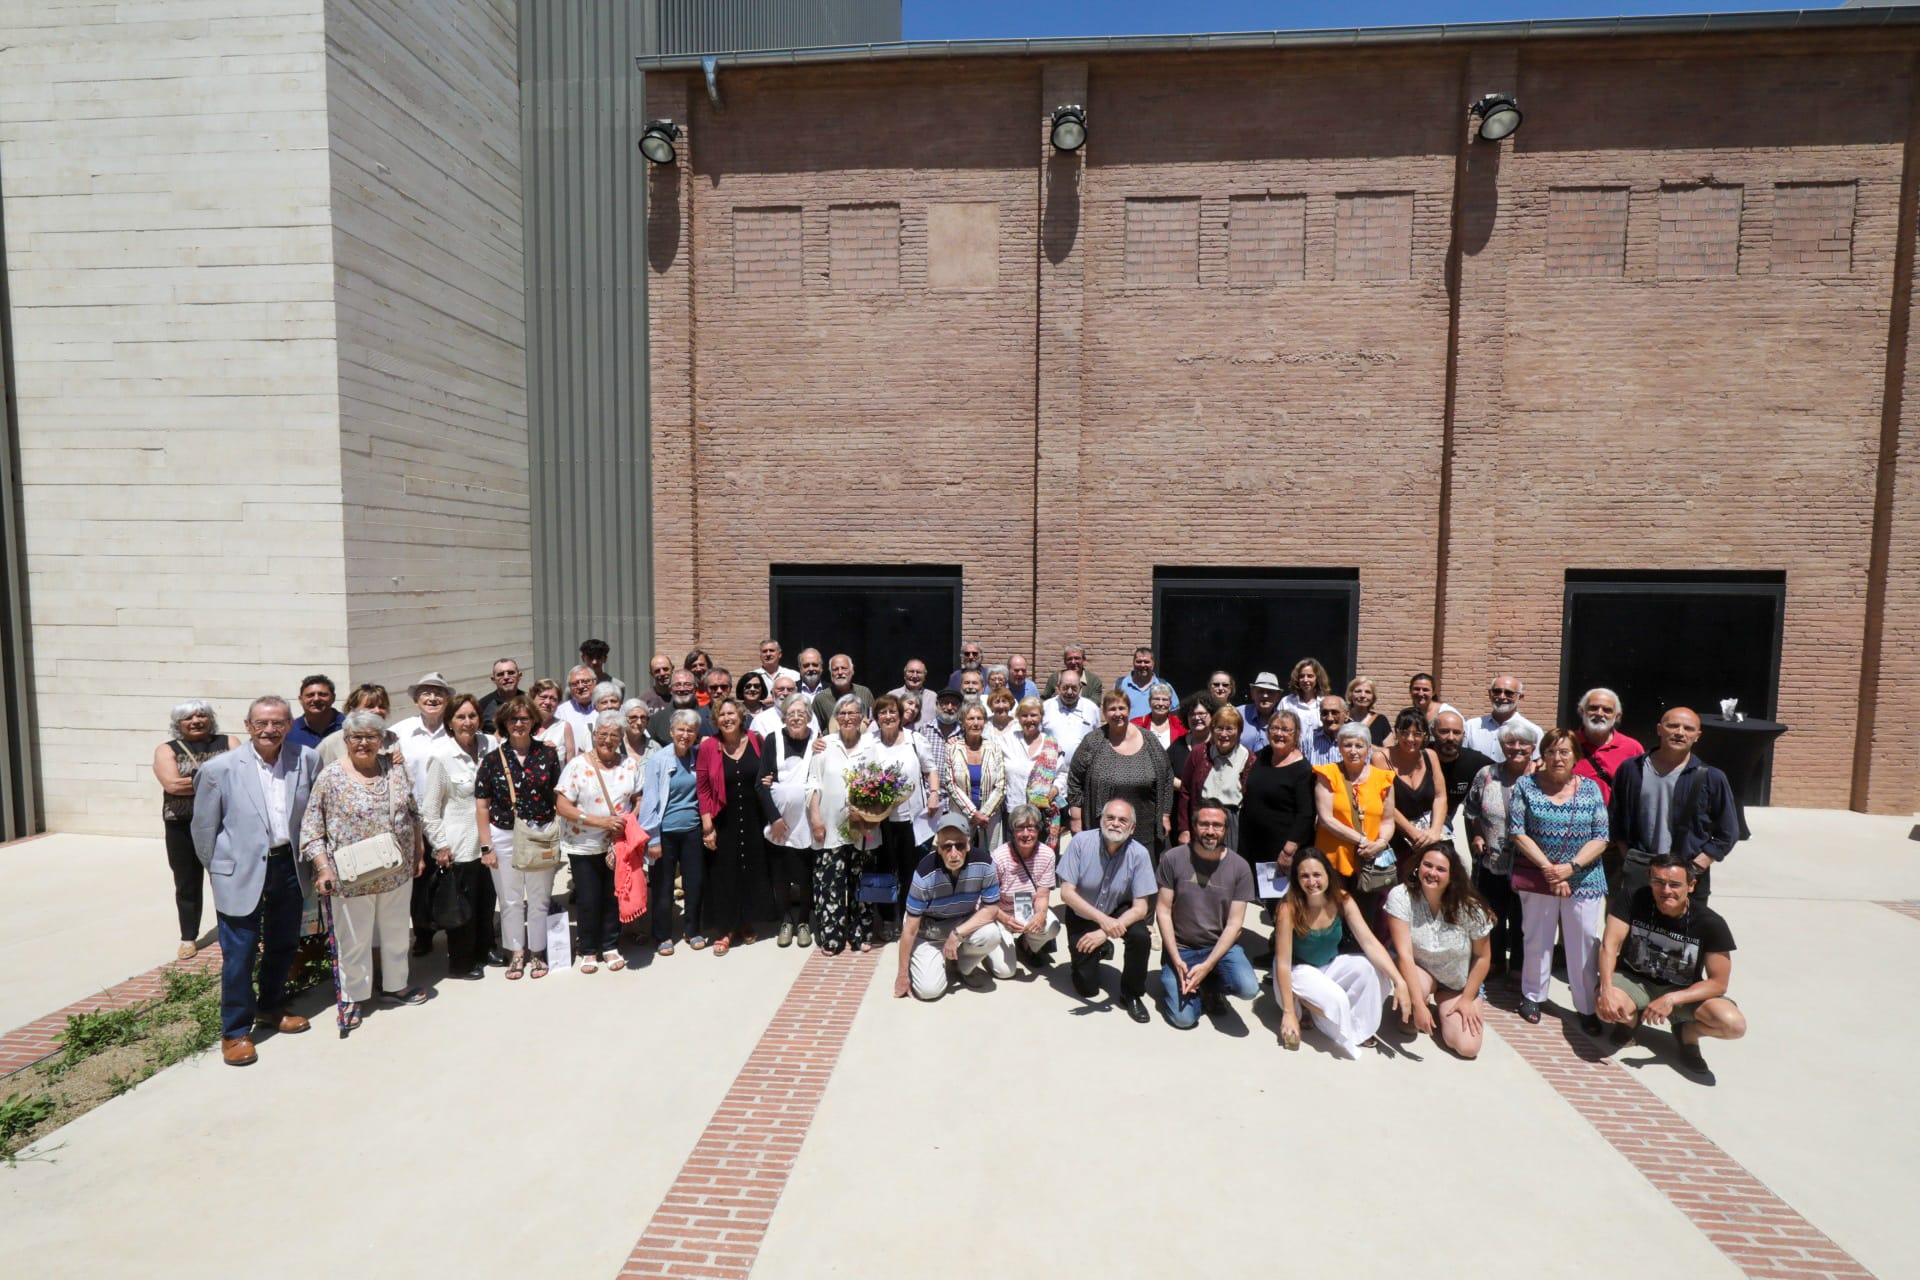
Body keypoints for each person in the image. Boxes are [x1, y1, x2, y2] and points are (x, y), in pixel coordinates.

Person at [190, 696, 319, 1065]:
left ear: (289, 725)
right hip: (240, 871)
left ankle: (271, 1007)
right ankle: (234, 1031)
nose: (269, 730)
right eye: (261, 723)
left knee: (283, 944)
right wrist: (219, 870)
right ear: (248, 726)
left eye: (278, 722)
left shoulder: (307, 759)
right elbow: (203, 829)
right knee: (240, 953)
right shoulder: (219, 769)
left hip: (288, 866)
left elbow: (313, 813)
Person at [304, 708, 429, 1027]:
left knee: (397, 931)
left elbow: (413, 812)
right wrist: (323, 867)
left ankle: (396, 985)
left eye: (371, 737)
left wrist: (418, 851)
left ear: (381, 740)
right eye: (356, 737)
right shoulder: (331, 777)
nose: (363, 743)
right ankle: (352, 996)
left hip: (396, 869)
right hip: (351, 875)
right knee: (353, 939)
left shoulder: (395, 769)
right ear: (346, 740)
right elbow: (312, 829)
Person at [1596, 853, 1746, 1080]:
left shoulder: (1710, 923)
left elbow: (1718, 983)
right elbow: (1609, 945)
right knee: (1604, 1005)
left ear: (1691, 885)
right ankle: (1629, 1022)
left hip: (1682, 991)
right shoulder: (1632, 898)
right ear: (1649, 880)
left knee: (1733, 1025)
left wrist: (1671, 999)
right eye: (1658, 882)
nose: (1666, 890)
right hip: (1635, 981)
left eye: (1675, 884)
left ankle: (1687, 1033)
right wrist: (1606, 990)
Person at [1509, 726, 1611, 1029]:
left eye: (1564, 751)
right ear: (1543, 755)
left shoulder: (1591, 789)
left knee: (1583, 944)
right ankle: (1532, 995)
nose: (1557, 757)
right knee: (1536, 938)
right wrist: (1549, 869)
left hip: (1584, 878)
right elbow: (1517, 831)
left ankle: (1586, 1006)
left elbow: (1601, 837)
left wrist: (1570, 868)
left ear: (1575, 756)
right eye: (1551, 751)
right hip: (1539, 874)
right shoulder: (1525, 785)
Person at [1273, 848, 1409, 1057]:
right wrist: (1288, 1013)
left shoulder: (1342, 900)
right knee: (1337, 1000)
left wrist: (1399, 981)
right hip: (1297, 970)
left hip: (1329, 964)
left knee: (1372, 971)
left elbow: (1370, 943)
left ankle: (1355, 1026)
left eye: (1317, 874)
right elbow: (1283, 963)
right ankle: (1302, 1002)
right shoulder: (1288, 908)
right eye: (1304, 876)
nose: (1312, 882)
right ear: (1297, 880)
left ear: (1328, 875)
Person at [1607, 707, 1742, 903]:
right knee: (1633, 922)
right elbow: (1616, 818)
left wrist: (1696, 866)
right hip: (1640, 871)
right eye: (1673, 726)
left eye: (1688, 728)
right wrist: (1627, 855)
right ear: (1659, 729)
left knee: (1684, 924)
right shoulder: (1631, 769)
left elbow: (1728, 831)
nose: (1680, 732)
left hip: (1687, 872)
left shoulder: (1712, 777)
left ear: (1697, 736)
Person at [474, 695, 564, 980]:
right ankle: (516, 952)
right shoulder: (491, 760)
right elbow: (482, 806)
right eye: (513, 719)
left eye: (525, 718)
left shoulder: (548, 755)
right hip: (503, 835)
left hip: (540, 833)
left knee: (539, 898)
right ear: (504, 723)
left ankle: (537, 951)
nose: (519, 724)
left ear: (534, 721)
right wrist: (486, 846)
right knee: (510, 900)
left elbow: (558, 795)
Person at [1156, 799, 1261, 1028]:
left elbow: (1234, 924)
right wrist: (1175, 958)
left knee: (1248, 988)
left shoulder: (1240, 867)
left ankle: (1209, 983)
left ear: (1226, 829)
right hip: (1181, 949)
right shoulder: (1173, 858)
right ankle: (1186, 984)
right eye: (1204, 824)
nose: (1210, 831)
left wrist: (1208, 965)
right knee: (1184, 1020)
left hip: (1219, 948)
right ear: (1194, 827)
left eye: (1217, 825)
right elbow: (1163, 911)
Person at [555, 710, 644, 973]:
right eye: (603, 734)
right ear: (594, 735)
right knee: (588, 898)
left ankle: (610, 945)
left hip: (617, 844)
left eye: (614, 735)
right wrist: (601, 822)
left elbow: (639, 797)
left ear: (621, 737)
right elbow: (562, 806)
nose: (608, 740)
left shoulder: (629, 765)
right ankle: (588, 949)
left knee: (613, 896)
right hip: (583, 845)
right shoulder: (577, 766)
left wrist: (629, 820)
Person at [1386, 845, 1494, 1058]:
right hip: (1419, 972)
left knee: (1468, 1048)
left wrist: (1467, 999)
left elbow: (1483, 957)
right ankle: (1418, 1004)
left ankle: (1442, 1008)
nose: (1432, 873)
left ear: (1452, 876)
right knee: (1408, 1024)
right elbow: (1404, 954)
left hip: (1457, 983)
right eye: (1427, 865)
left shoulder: (1470, 908)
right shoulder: (1400, 896)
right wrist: (1418, 1005)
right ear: (1418, 866)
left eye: (1441, 869)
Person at [1055, 800, 1157, 1023]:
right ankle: (1098, 951)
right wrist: (1104, 922)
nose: (1115, 823)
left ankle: (1132, 994)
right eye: (1110, 818)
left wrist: (1104, 931)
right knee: (1087, 988)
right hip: (1083, 912)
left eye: (1123, 820)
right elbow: (1067, 894)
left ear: (1132, 828)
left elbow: (1141, 908)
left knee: (1141, 936)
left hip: (1117, 907)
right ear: (1101, 821)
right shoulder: (1081, 842)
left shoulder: (1139, 854)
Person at [420, 694, 496, 979]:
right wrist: (440, 845)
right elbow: (430, 809)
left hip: (490, 840)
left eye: (472, 716)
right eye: (461, 717)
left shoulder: (490, 745)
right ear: (450, 722)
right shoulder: (442, 756)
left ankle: (486, 949)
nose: (468, 722)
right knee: (463, 905)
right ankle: (462, 963)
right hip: (460, 843)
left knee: (487, 900)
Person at [156, 699, 238, 959]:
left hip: (224, 823)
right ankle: (188, 937)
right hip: (182, 825)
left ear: (210, 719)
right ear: (178, 724)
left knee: (227, 879)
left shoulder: (229, 742)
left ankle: (232, 931)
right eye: (188, 718)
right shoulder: (166, 749)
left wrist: (192, 780)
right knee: (187, 882)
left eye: (201, 715)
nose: (196, 721)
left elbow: (241, 776)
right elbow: (172, 785)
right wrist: (217, 781)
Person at [896, 814, 1007, 999]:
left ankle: (964, 965)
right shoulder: (924, 872)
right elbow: (910, 928)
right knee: (929, 992)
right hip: (928, 931)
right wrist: (902, 974)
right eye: (947, 846)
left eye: (960, 845)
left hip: (962, 923)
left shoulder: (985, 863)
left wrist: (957, 934)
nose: (954, 853)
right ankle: (929, 957)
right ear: (938, 848)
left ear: (968, 844)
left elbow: (991, 909)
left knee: (992, 934)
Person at [1461, 721, 1540, 977]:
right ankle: (1493, 962)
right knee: (1492, 913)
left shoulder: (1542, 777)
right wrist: (1476, 835)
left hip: (1529, 863)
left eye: (1523, 743)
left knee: (1523, 918)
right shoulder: (1486, 774)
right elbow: (1471, 811)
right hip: (1492, 860)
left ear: (1533, 747)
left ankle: (1518, 966)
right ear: (1502, 746)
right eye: (1510, 742)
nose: (1516, 748)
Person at [697, 698, 773, 957]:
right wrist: (707, 825)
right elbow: (703, 788)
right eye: (722, 715)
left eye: (731, 714)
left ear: (741, 717)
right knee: (723, 873)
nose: (727, 718)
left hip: (753, 817)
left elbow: (768, 771)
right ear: (715, 720)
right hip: (722, 819)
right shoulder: (709, 746)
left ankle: (745, 922)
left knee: (750, 869)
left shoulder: (756, 740)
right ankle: (724, 929)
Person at [808, 695, 880, 955]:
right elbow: (813, 783)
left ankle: (861, 934)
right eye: (843, 713)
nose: (848, 718)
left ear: (861, 717)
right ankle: (832, 937)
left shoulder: (872, 745)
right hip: (830, 828)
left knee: (863, 882)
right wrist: (816, 819)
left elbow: (882, 785)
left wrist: (869, 814)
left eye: (853, 713)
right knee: (830, 883)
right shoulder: (824, 745)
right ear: (836, 718)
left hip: (865, 828)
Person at [868, 693, 942, 939]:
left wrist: (934, 794)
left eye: (893, 712)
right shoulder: (870, 742)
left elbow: (930, 769)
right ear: (876, 718)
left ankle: (911, 916)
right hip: (881, 819)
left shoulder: (914, 740)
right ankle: (887, 919)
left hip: (913, 818)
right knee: (883, 868)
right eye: (883, 712)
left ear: (901, 716)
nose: (888, 716)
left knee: (912, 869)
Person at [1067, 689, 1174, 857]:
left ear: (1129, 710)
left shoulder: (1150, 741)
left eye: (1122, 708)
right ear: (1104, 713)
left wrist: (1165, 815)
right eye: (1112, 709)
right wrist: (1076, 817)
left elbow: (1166, 777)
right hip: (1102, 828)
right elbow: (1075, 779)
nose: (1118, 713)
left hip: (1144, 828)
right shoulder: (1093, 742)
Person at [1312, 722, 1399, 924]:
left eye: (1359, 746)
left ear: (1368, 748)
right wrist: (1362, 840)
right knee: (1332, 915)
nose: (1353, 751)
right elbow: (1326, 819)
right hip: (1334, 858)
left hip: (1369, 861)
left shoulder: (1384, 778)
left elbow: (1388, 820)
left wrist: (1380, 843)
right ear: (1339, 747)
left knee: (1364, 917)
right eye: (1347, 745)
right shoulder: (1327, 774)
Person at [391, 672, 453, 958]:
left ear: (447, 699)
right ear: (416, 699)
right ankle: (423, 933)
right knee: (419, 877)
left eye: (438, 693)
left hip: (448, 816)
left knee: (451, 875)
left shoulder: (454, 729)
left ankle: (454, 927)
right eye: (426, 692)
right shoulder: (399, 732)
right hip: (413, 818)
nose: (432, 698)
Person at [639, 709, 706, 955]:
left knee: (694, 883)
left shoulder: (698, 757)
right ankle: (663, 934)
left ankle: (692, 929)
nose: (685, 735)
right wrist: (653, 838)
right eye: (681, 729)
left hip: (692, 831)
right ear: (671, 731)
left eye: (690, 730)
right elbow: (649, 801)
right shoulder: (659, 760)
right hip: (665, 833)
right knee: (663, 886)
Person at [759, 693, 820, 948]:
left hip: (806, 821)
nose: (796, 718)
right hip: (779, 822)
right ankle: (786, 920)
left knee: (805, 875)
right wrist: (774, 818)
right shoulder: (773, 740)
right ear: (784, 717)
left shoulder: (818, 741)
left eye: (801, 714)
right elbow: (761, 783)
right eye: (791, 714)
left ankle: (804, 921)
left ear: (809, 717)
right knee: (780, 875)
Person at [1238, 709, 1316, 879]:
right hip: (1251, 843)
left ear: (1296, 734)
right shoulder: (1261, 756)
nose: (1279, 734)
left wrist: (1289, 850)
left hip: (1280, 849)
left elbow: (1305, 814)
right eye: (1274, 728)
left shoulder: (1303, 770)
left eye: (1286, 730)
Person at [986, 805, 1060, 971]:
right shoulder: (999, 857)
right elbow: (987, 902)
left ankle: (1026, 944)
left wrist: (1040, 915)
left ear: (1038, 830)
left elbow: (1042, 895)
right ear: (1012, 831)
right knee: (1005, 972)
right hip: (1001, 914)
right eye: (1020, 828)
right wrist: (1005, 919)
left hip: (1028, 910)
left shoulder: (1047, 854)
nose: (1026, 834)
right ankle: (993, 946)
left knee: (1052, 926)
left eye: (1031, 828)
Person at [1174, 703, 1250, 850]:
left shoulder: (1248, 758)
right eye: (1219, 728)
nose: (1224, 734)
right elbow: (1185, 791)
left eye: (1230, 729)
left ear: (1239, 731)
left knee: (1228, 862)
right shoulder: (1198, 753)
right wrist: (1184, 829)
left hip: (1231, 824)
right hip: (1201, 821)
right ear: (1212, 729)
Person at [1386, 707, 1448, 869]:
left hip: (1430, 833)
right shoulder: (1381, 758)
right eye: (1404, 732)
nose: (1410, 738)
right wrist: (1413, 834)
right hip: (1397, 836)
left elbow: (1440, 796)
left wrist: (1435, 831)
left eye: (1417, 734)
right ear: (1396, 733)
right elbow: (1385, 803)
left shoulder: (1430, 756)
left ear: (1425, 736)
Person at [945, 702, 1007, 854]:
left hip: (990, 817)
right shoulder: (952, 748)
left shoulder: (994, 748)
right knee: (959, 855)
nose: (976, 723)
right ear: (962, 722)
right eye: (971, 718)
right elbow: (950, 784)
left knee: (990, 857)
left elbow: (1001, 786)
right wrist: (973, 813)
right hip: (961, 814)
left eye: (979, 718)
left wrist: (984, 814)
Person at [1001, 695, 1064, 843]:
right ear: (1018, 717)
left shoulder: (1051, 744)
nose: (1029, 719)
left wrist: (1055, 788)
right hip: (1014, 811)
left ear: (1041, 717)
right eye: (1024, 715)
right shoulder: (1007, 741)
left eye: (1034, 715)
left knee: (1040, 853)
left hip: (1042, 813)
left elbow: (1062, 774)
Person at [1430, 710, 1494, 842]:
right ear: (1433, 731)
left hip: (1448, 826)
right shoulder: (1420, 757)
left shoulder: (1474, 761)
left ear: (1463, 735)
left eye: (1456, 732)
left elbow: (1505, 770)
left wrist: (1532, 765)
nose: (1450, 738)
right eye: (1444, 731)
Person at [1572, 686, 1643, 802]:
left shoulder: (1633, 748)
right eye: (1593, 708)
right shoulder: (1567, 743)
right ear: (1582, 711)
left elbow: (1640, 789)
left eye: (1607, 710)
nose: (1599, 713)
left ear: (1617, 716)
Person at [1463, 674, 1539, 759]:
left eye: (1509, 693)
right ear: (1490, 694)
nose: (1502, 697)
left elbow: (1536, 763)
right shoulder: (1471, 726)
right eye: (1497, 691)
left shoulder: (1533, 730)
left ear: (1520, 697)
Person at [1042, 668, 1099, 770]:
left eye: (1074, 688)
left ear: (1080, 687)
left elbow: (1098, 741)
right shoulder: (1046, 708)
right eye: (1065, 687)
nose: (1069, 692)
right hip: (1050, 772)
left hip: (1082, 773)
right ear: (1058, 687)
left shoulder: (1091, 709)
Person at [647, 668, 713, 746]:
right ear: (670, 689)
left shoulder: (709, 718)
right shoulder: (657, 720)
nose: (682, 689)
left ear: (695, 688)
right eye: (677, 685)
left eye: (687, 684)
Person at [1167, 695, 1216, 798]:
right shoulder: (1178, 744)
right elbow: (1163, 772)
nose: (1197, 718)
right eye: (1192, 714)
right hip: (1181, 802)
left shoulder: (1219, 744)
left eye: (1201, 714)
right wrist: (1184, 787)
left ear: (1212, 715)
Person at [811, 653, 874, 730]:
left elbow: (874, 721)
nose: (840, 672)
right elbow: (814, 729)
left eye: (844, 668)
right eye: (835, 669)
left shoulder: (865, 693)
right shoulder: (820, 699)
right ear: (831, 673)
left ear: (852, 671)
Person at [286, 674, 343, 751]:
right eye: (310, 695)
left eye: (322, 694)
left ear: (333, 698)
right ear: (300, 699)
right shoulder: (289, 730)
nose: (316, 699)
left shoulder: (348, 726)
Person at [1113, 646, 1170, 718]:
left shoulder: (1164, 686)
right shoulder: (1120, 685)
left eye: (1146, 662)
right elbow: (1111, 709)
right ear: (1133, 663)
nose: (1142, 665)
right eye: (1139, 662)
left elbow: (1174, 713)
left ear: (1153, 664)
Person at [528, 678, 576, 764]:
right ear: (533, 698)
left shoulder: (564, 727)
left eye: (553, 699)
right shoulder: (523, 725)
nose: (547, 702)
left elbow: (571, 765)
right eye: (543, 697)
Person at [1280, 657, 1330, 739]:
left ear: (1317, 678)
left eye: (1310, 676)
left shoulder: (1325, 702)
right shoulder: (1286, 702)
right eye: (1301, 676)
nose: (1305, 680)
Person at [1235, 672, 1283, 752]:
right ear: (1252, 693)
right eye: (1261, 691)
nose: (1265, 696)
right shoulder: (1237, 714)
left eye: (1270, 692)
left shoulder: (1283, 720)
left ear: (1278, 696)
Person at [1132, 681, 1185, 750]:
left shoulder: (1180, 725)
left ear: (1170, 703)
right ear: (1149, 702)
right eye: (1156, 699)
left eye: (1165, 700)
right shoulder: (1136, 725)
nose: (1160, 703)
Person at [887, 658, 939, 723]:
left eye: (918, 672)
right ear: (904, 675)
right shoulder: (892, 696)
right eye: (911, 671)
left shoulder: (933, 697)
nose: (914, 676)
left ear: (924, 676)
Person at [558, 664, 599, 742]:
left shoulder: (606, 708)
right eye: (575, 684)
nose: (580, 686)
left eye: (585, 682)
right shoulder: (561, 712)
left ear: (595, 682)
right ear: (569, 687)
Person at [477, 659, 523, 727]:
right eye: (500, 674)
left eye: (511, 673)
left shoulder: (530, 701)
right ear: (493, 680)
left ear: (519, 676)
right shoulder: (482, 705)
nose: (506, 677)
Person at [1347, 676, 1391, 746]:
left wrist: (1369, 747)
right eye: (1358, 691)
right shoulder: (1342, 719)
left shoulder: (1381, 721)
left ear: (1373, 697)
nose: (1363, 695)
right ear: (1350, 694)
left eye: (1368, 692)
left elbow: (1389, 750)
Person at [620, 698, 656, 765]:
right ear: (623, 719)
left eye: (643, 718)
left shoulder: (654, 748)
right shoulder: (616, 746)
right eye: (633, 717)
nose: (639, 722)